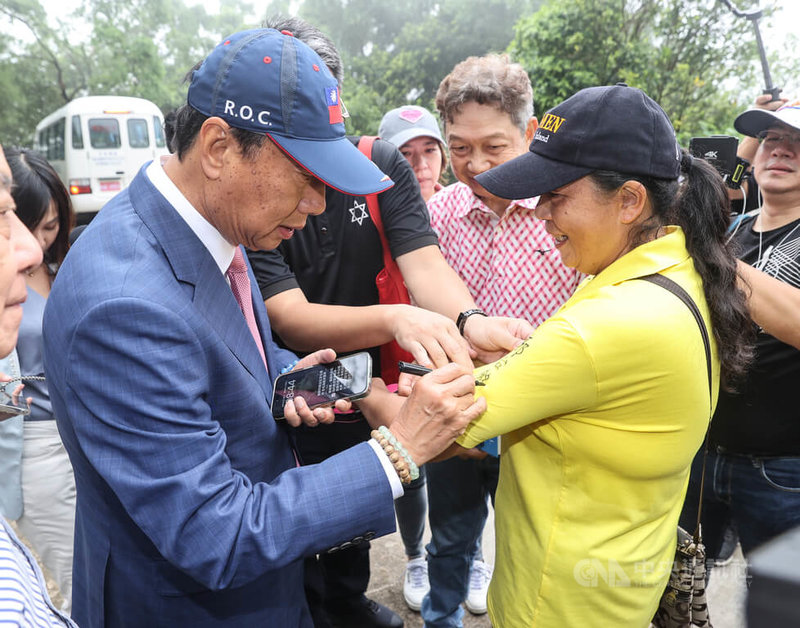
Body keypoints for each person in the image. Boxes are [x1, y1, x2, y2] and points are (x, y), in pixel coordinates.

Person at [41, 28, 483, 628]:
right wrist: (399, 452)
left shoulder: (214, 221)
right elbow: (212, 532)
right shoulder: (124, 306)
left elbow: (237, 352)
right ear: (219, 147)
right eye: (306, 176)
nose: (319, 205)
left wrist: (311, 385)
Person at [245, 17, 533, 628]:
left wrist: (470, 318)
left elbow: (423, 261)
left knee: (351, 521)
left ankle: (346, 604)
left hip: (366, 388)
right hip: (296, 386)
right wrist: (397, 317)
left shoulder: (377, 166)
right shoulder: (250, 192)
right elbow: (289, 317)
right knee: (285, 529)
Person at [436, 84, 753, 626]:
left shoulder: (605, 323)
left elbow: (441, 422)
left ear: (630, 200)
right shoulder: (676, 272)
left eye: (556, 196)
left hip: (558, 603)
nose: (539, 214)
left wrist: (359, 388)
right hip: (618, 585)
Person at [413, 53, 580, 627]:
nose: (476, 164)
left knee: (528, 546)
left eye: (494, 147)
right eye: (459, 148)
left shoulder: (564, 211)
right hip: (456, 410)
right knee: (450, 537)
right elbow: (418, 311)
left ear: (529, 134)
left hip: (539, 422)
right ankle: (440, 617)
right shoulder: (437, 214)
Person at [679, 98, 800, 561]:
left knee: (777, 603)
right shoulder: (734, 229)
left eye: (796, 142)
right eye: (772, 140)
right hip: (701, 451)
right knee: (678, 593)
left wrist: (710, 254)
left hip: (782, 469)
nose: (781, 151)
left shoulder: (716, 245)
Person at [375, 103, 447, 612]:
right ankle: (415, 554)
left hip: (445, 359)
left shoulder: (458, 209)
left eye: (429, 151)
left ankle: (458, 555)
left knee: (460, 471)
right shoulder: (373, 213)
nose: (420, 166)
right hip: (388, 367)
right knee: (408, 468)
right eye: (406, 155)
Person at [0, 143, 75, 626]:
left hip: (78, 437)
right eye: (33, 223)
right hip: (36, 446)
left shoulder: (66, 266)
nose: (37, 245)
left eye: (53, 228)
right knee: (58, 570)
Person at [379, 105, 447, 202]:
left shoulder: (464, 210)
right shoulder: (368, 213)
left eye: (429, 150)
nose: (421, 165)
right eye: (405, 153)